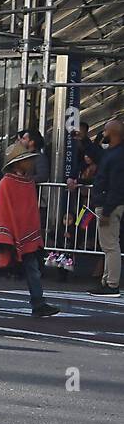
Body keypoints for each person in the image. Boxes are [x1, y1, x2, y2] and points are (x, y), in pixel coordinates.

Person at [0, 142, 60, 317]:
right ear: (18, 163)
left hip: (26, 235)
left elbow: (30, 211)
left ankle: (38, 303)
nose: (31, 162)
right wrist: (6, 233)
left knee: (32, 268)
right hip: (7, 234)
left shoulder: (28, 183)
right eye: (27, 160)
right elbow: (3, 210)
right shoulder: (6, 182)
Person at [88, 117, 124, 296]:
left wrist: (107, 210)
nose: (103, 133)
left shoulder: (117, 156)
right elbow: (97, 154)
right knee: (108, 245)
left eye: (105, 130)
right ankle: (107, 281)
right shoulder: (113, 153)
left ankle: (111, 284)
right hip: (108, 203)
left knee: (110, 246)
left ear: (114, 133)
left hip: (110, 204)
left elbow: (116, 186)